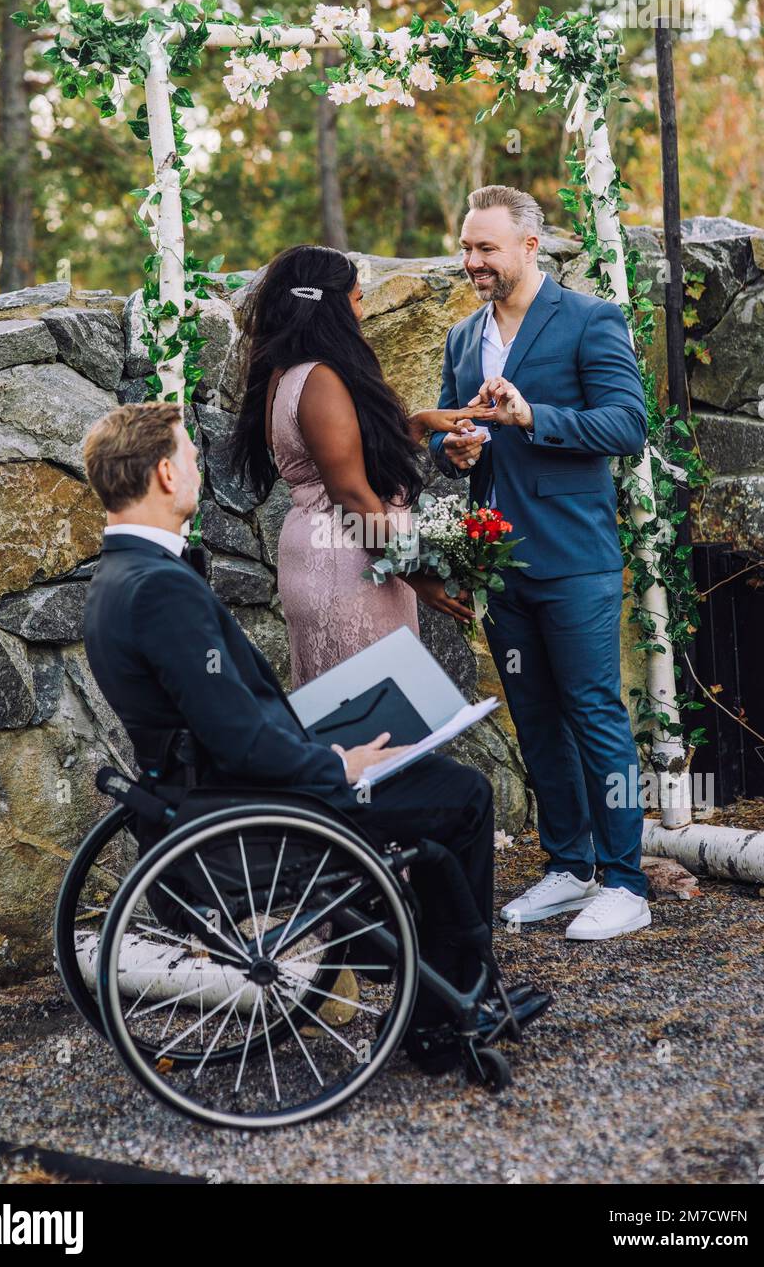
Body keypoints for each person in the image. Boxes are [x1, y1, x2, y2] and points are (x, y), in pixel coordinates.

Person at [81, 401, 546, 1072]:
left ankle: (429, 981)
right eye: (187, 457)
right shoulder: (158, 589)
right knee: (463, 796)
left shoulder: (116, 579)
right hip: (252, 809)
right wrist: (337, 763)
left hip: (214, 790)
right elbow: (238, 738)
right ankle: (446, 1014)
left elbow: (223, 721)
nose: (196, 471)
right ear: (161, 473)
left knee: (423, 771)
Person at [429, 184, 652, 943]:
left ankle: (627, 880)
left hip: (576, 559)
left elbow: (629, 424)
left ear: (530, 246)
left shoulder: (591, 320)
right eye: (466, 247)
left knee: (597, 717)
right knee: (536, 717)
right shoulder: (463, 338)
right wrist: (451, 449)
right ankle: (569, 866)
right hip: (500, 565)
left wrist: (535, 416)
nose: (472, 261)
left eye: (485, 247)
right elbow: (446, 428)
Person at [229, 244, 496, 685]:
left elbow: (340, 457)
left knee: (349, 722)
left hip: (333, 557)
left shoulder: (287, 371)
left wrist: (419, 424)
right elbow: (351, 496)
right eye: (356, 296)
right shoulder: (321, 380)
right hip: (348, 565)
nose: (361, 307)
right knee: (375, 723)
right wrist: (418, 573)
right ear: (332, 304)